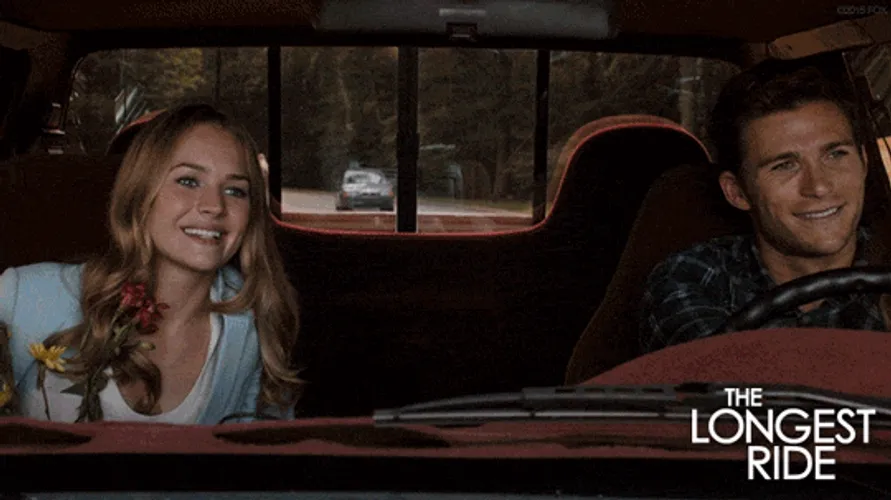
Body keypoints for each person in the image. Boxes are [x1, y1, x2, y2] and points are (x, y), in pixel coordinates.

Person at [0, 104, 303, 423]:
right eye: (188, 181)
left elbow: (267, 447)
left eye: (235, 191)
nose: (215, 206)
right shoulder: (22, 295)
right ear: (140, 192)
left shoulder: (254, 326)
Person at [639, 62, 886, 353]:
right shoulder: (698, 277)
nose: (819, 186)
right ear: (737, 192)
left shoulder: (885, 261)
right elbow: (721, 376)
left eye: (836, 155)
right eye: (784, 166)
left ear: (864, 164)